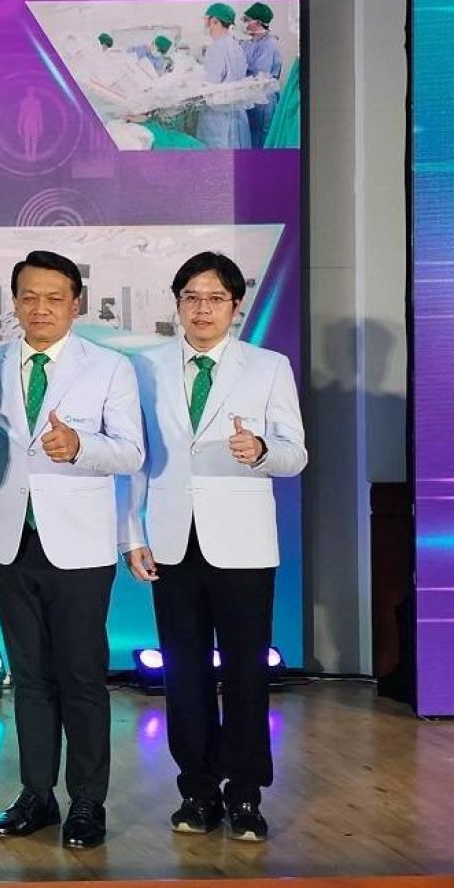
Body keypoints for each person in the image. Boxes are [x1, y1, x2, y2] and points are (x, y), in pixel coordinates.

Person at [0, 251, 148, 850]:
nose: (40, 308)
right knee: (30, 678)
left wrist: (80, 446)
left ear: (76, 304)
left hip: (81, 546)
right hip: (11, 541)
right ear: (14, 303)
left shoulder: (110, 367)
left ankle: (88, 801)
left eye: (54, 298)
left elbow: (132, 453)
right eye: (29, 297)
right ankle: (36, 795)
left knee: (82, 677)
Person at [129, 252, 306, 843]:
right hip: (172, 538)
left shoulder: (268, 367)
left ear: (236, 306)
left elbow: (295, 454)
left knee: (246, 670)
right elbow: (135, 460)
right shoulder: (146, 367)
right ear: (177, 303)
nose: (202, 309)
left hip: (243, 543)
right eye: (191, 298)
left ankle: (246, 793)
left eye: (215, 299)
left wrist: (261, 450)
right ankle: (197, 790)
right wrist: (133, 534)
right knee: (183, 672)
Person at [197, 3, 251, 150]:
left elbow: (210, 85)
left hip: (218, 116)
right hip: (235, 113)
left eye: (206, 19)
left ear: (215, 21)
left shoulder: (215, 48)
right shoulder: (236, 46)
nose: (205, 23)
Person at [242, 3, 283, 147]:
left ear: (258, 22)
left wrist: (240, 70)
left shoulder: (269, 43)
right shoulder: (250, 43)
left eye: (247, 20)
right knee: (251, 137)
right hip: (252, 97)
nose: (244, 23)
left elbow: (260, 72)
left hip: (264, 99)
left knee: (261, 139)